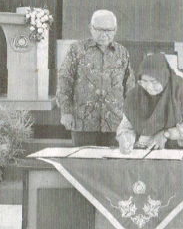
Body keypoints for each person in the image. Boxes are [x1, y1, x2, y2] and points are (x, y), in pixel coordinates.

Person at [57, 10, 134, 147]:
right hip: (83, 123)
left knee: (114, 160)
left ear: (115, 30)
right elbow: (64, 81)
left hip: (115, 124)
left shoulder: (122, 53)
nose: (104, 34)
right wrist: (66, 112)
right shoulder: (77, 50)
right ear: (90, 28)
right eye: (99, 29)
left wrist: (130, 119)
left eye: (108, 30)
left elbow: (130, 88)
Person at [117, 53, 183, 153]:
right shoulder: (135, 95)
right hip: (151, 151)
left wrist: (166, 134)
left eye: (154, 82)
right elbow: (126, 126)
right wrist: (126, 139)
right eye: (144, 81)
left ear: (164, 77)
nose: (149, 87)